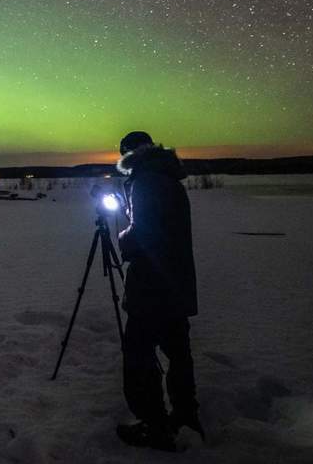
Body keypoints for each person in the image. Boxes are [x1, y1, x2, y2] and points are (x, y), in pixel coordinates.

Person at [113, 130, 204, 452]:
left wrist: (123, 239)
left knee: (138, 353)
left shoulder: (146, 181)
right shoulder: (167, 177)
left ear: (128, 153)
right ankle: (186, 416)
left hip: (153, 283)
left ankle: (155, 425)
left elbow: (145, 233)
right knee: (178, 351)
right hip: (175, 281)